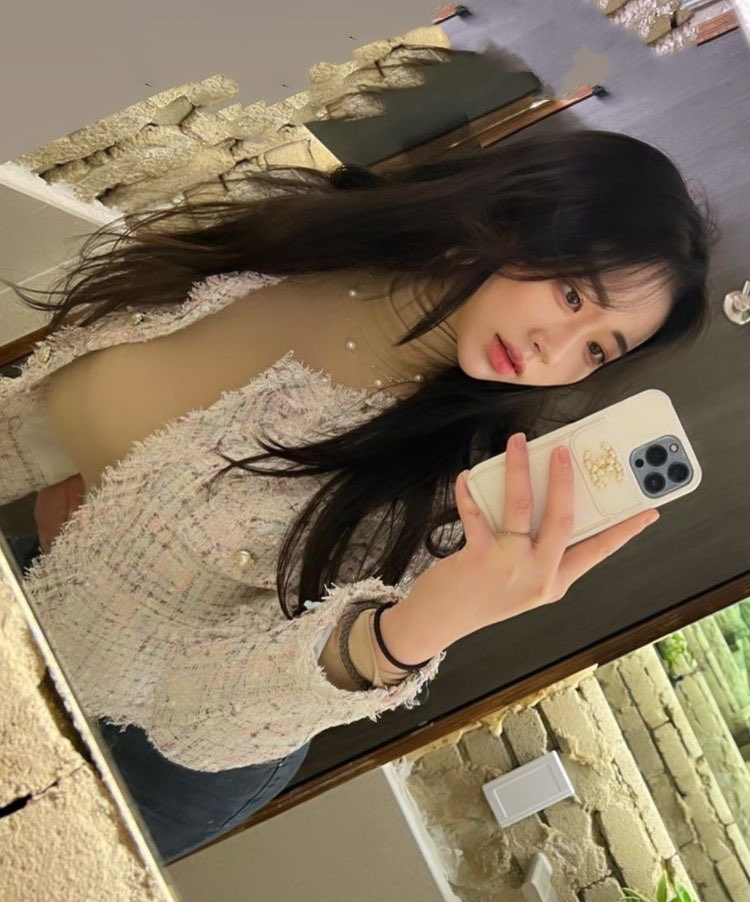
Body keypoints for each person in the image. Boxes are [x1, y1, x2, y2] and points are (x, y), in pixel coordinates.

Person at [0, 129, 715, 863]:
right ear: (521, 209)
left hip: (155, 748)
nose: (553, 351)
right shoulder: (305, 238)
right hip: (42, 591)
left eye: (596, 349)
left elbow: (202, 710)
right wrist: (90, 517)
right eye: (572, 295)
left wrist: (411, 632)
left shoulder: (451, 494)